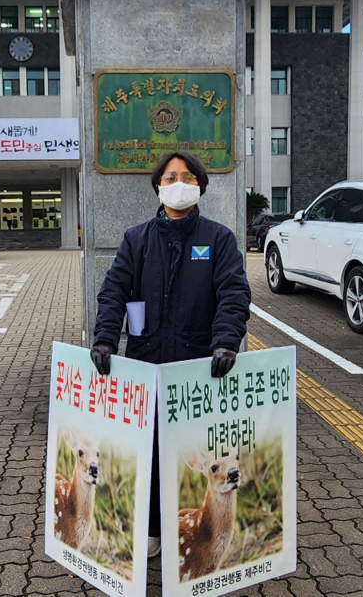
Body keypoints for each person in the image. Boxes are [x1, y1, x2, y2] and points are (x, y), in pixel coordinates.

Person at [89, 151, 252, 558]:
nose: (179, 184)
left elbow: (233, 294)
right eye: (170, 177)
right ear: (158, 187)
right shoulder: (137, 239)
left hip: (198, 367)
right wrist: (105, 338)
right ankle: (151, 528)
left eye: (188, 177)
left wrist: (226, 341)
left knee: (189, 451)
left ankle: (196, 531)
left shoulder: (218, 239)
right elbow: (114, 291)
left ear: (200, 186)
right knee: (149, 447)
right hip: (145, 362)